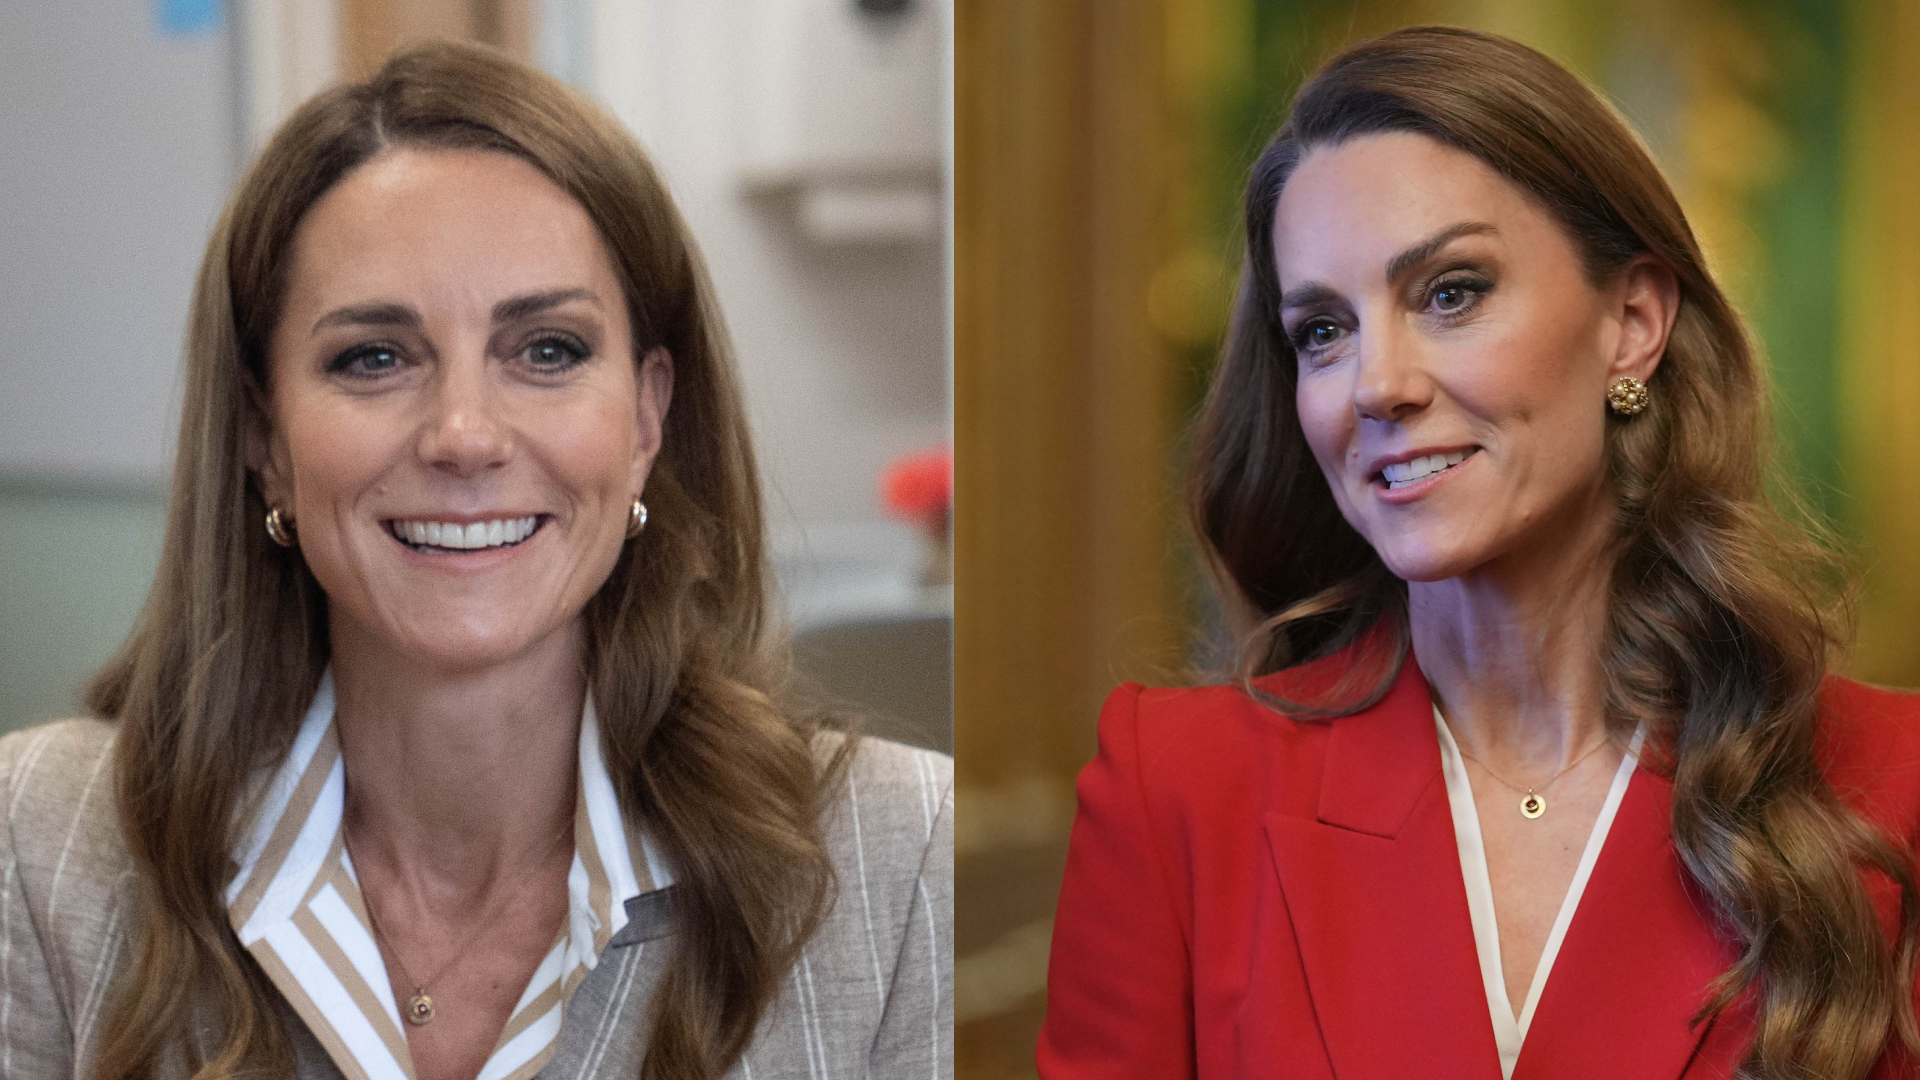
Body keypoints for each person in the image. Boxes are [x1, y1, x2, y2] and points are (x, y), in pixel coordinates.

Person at [0, 43, 952, 1080]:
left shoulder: (907, 861)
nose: (464, 435)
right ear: (264, 438)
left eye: (546, 350)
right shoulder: (39, 844)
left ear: (646, 418)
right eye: (374, 357)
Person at [1040, 25, 1920, 1080]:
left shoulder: (1894, 784)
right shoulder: (1179, 787)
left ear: (1632, 321)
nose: (1377, 384)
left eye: (1450, 292)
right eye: (1322, 331)